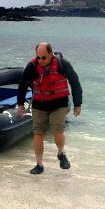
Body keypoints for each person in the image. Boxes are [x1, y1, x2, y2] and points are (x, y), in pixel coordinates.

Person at [17, 43, 82, 174]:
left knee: (57, 132)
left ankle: (61, 153)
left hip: (59, 105)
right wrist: (20, 104)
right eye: (38, 57)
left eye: (44, 57)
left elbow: (75, 82)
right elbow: (22, 85)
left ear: (51, 54)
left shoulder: (62, 64)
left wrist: (77, 104)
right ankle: (39, 165)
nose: (40, 60)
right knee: (38, 134)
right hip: (39, 104)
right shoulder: (32, 66)